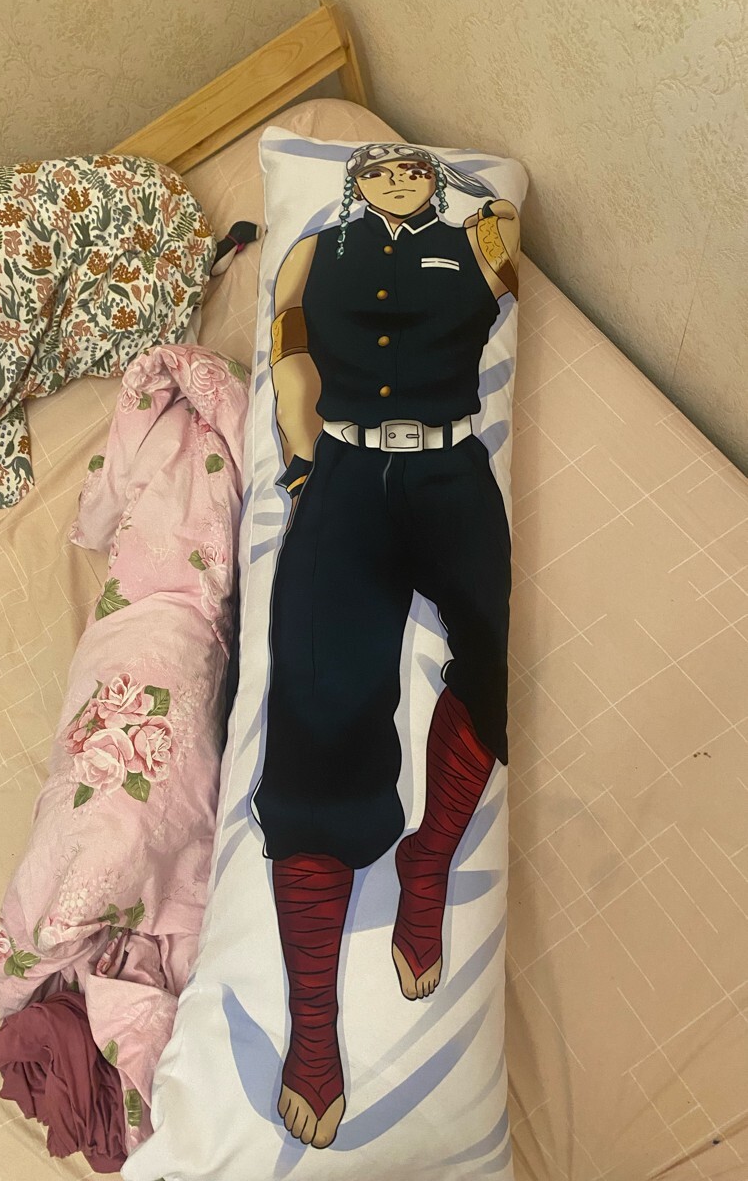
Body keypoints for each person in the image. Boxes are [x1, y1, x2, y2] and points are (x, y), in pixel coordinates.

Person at [252, 142, 521, 1149]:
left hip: (452, 472)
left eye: (413, 170)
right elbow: (291, 356)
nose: (399, 179)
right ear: (356, 184)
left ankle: (429, 865)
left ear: (432, 181)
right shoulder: (312, 254)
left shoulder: (480, 238)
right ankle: (315, 1031)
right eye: (378, 171)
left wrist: (489, 228)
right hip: (349, 476)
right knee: (318, 710)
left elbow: (512, 271)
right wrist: (303, 468)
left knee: (493, 674)